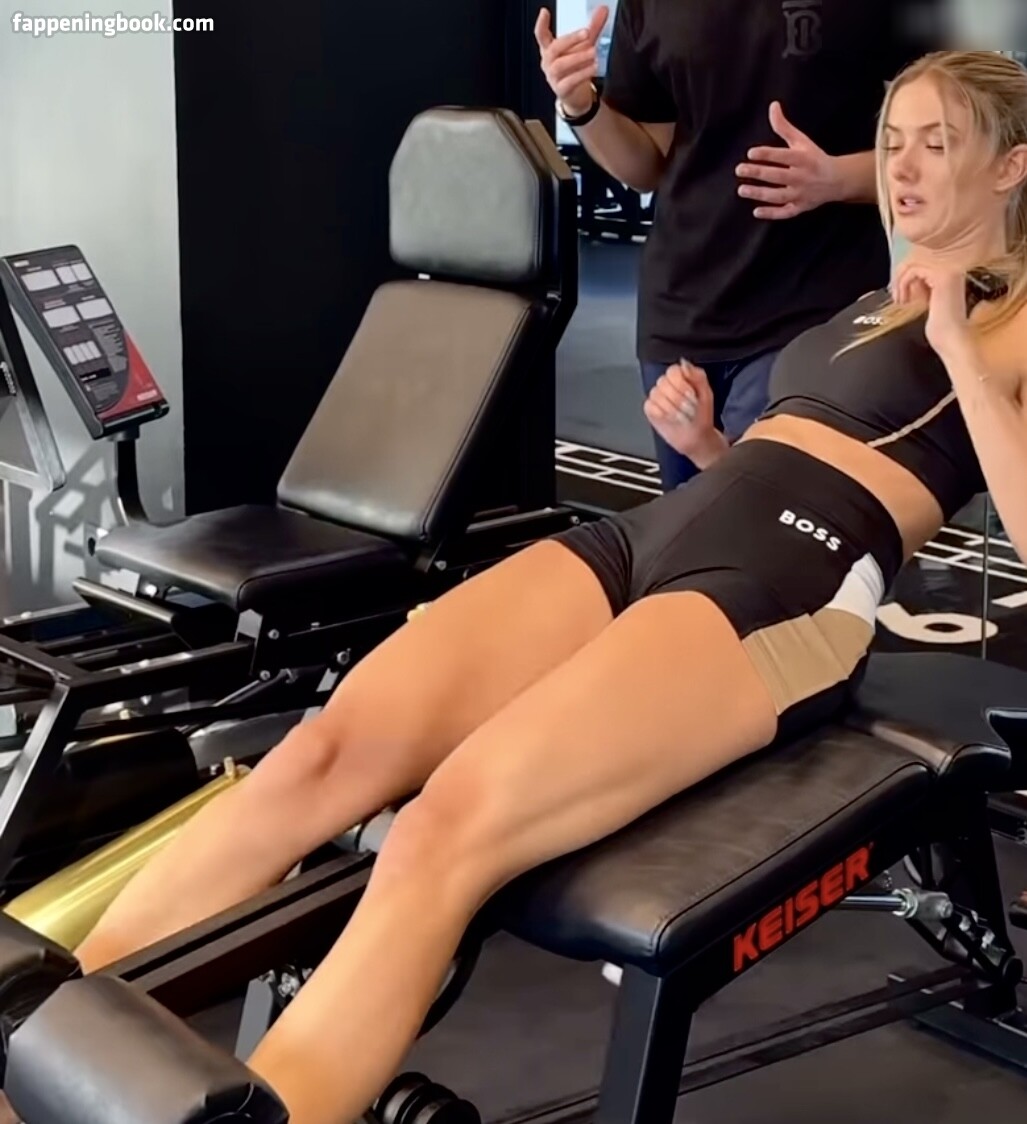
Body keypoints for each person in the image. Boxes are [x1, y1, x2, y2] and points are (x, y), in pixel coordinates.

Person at [32, 51, 1027, 1124]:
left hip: (790, 582)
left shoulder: (1009, 319)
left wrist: (958, 349)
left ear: (1011, 166)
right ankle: (29, 1057)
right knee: (320, 755)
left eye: (937, 144)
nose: (900, 168)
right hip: (665, 528)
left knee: (443, 832)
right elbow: (823, 439)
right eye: (891, 141)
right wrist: (713, 443)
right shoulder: (878, 295)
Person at [535, 0, 938, 489]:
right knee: (692, 522)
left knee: (771, 512)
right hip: (682, 310)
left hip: (812, 303)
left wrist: (837, 178)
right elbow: (647, 167)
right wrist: (581, 105)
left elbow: (950, 147)